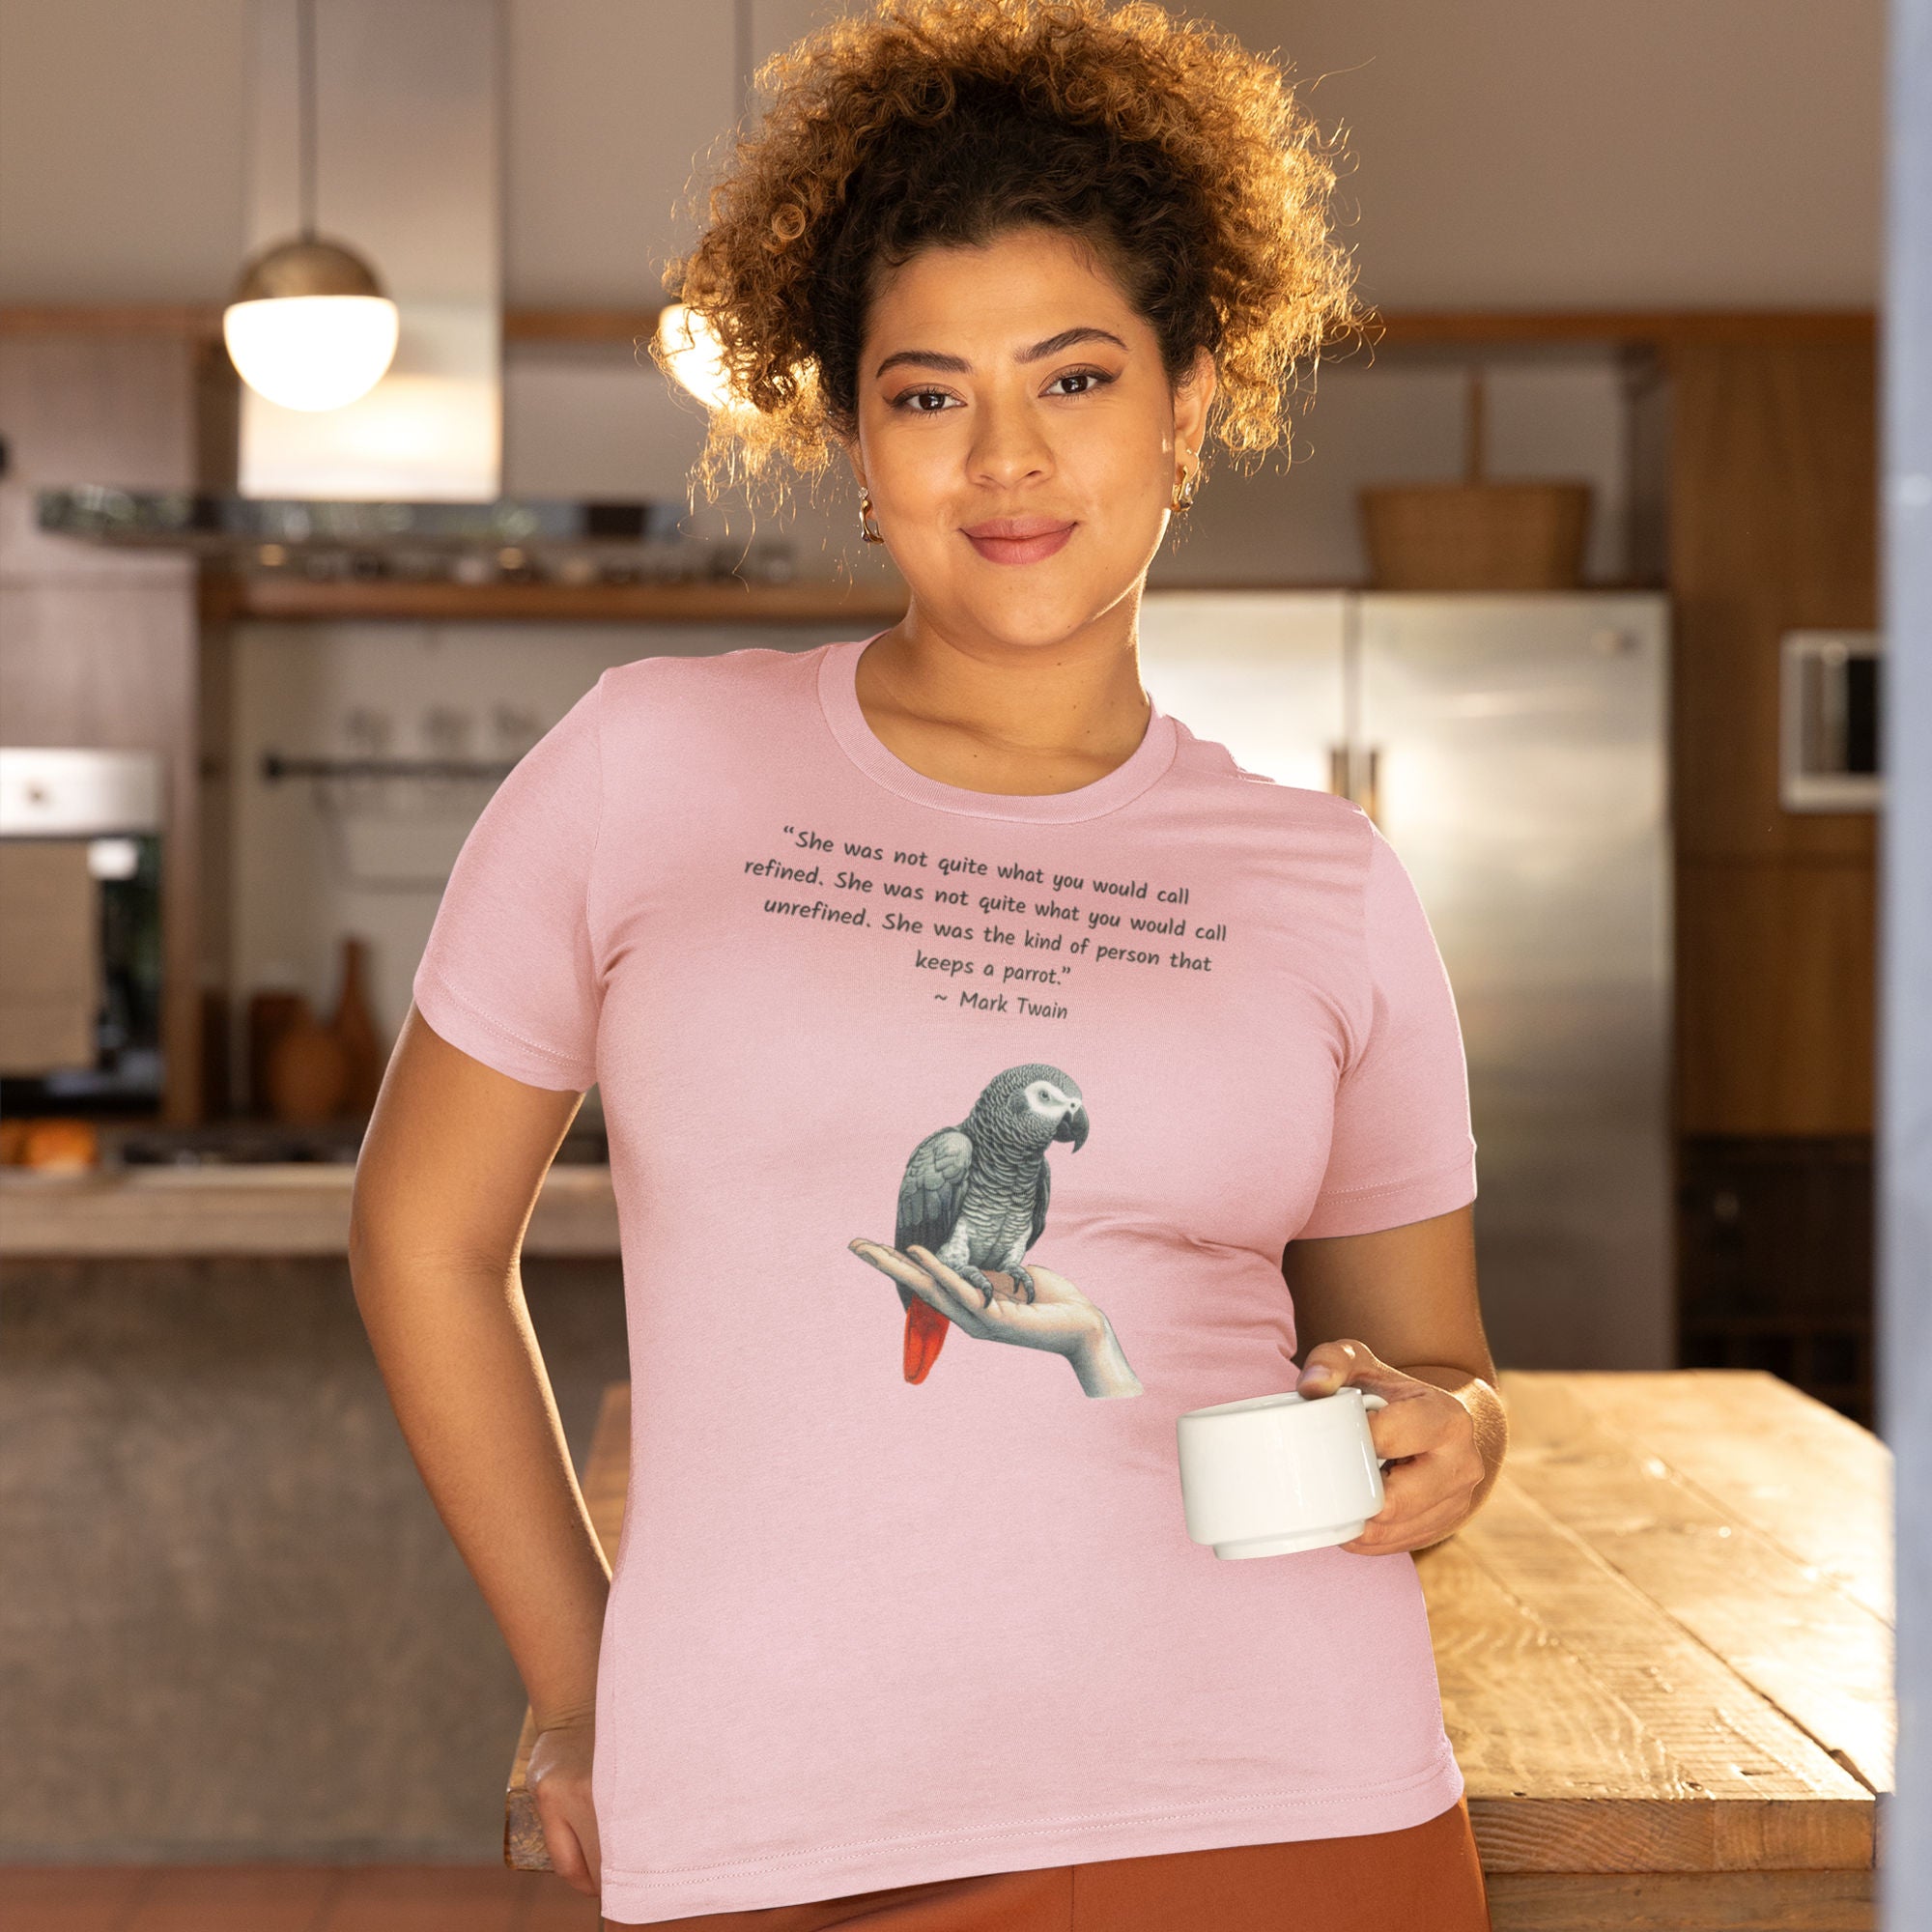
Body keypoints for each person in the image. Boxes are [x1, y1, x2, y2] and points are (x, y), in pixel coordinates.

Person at [348, 2, 1506, 1926]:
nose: (1003, 457)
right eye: (923, 393)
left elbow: (1436, 1360)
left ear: (1186, 406)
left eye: (1071, 377)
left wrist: (1460, 1433)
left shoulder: (1329, 879)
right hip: (786, 1812)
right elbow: (419, 1237)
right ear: (844, 432)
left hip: (1279, 1795)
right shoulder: (646, 763)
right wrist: (577, 1681)